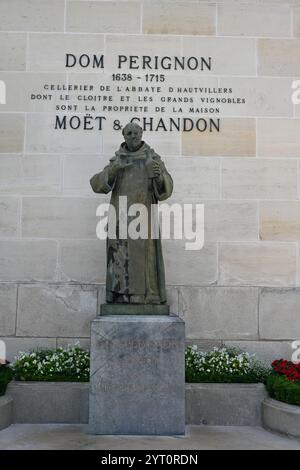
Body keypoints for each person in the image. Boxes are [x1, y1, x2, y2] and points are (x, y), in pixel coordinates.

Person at [90, 122, 173, 304]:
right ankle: (121, 296)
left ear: (141, 134)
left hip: (143, 215)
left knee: (145, 259)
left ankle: (147, 296)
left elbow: (166, 188)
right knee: (120, 258)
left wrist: (158, 175)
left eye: (136, 133)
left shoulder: (152, 158)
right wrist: (113, 170)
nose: (133, 136)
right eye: (129, 133)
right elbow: (97, 184)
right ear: (124, 136)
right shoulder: (118, 159)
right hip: (120, 217)